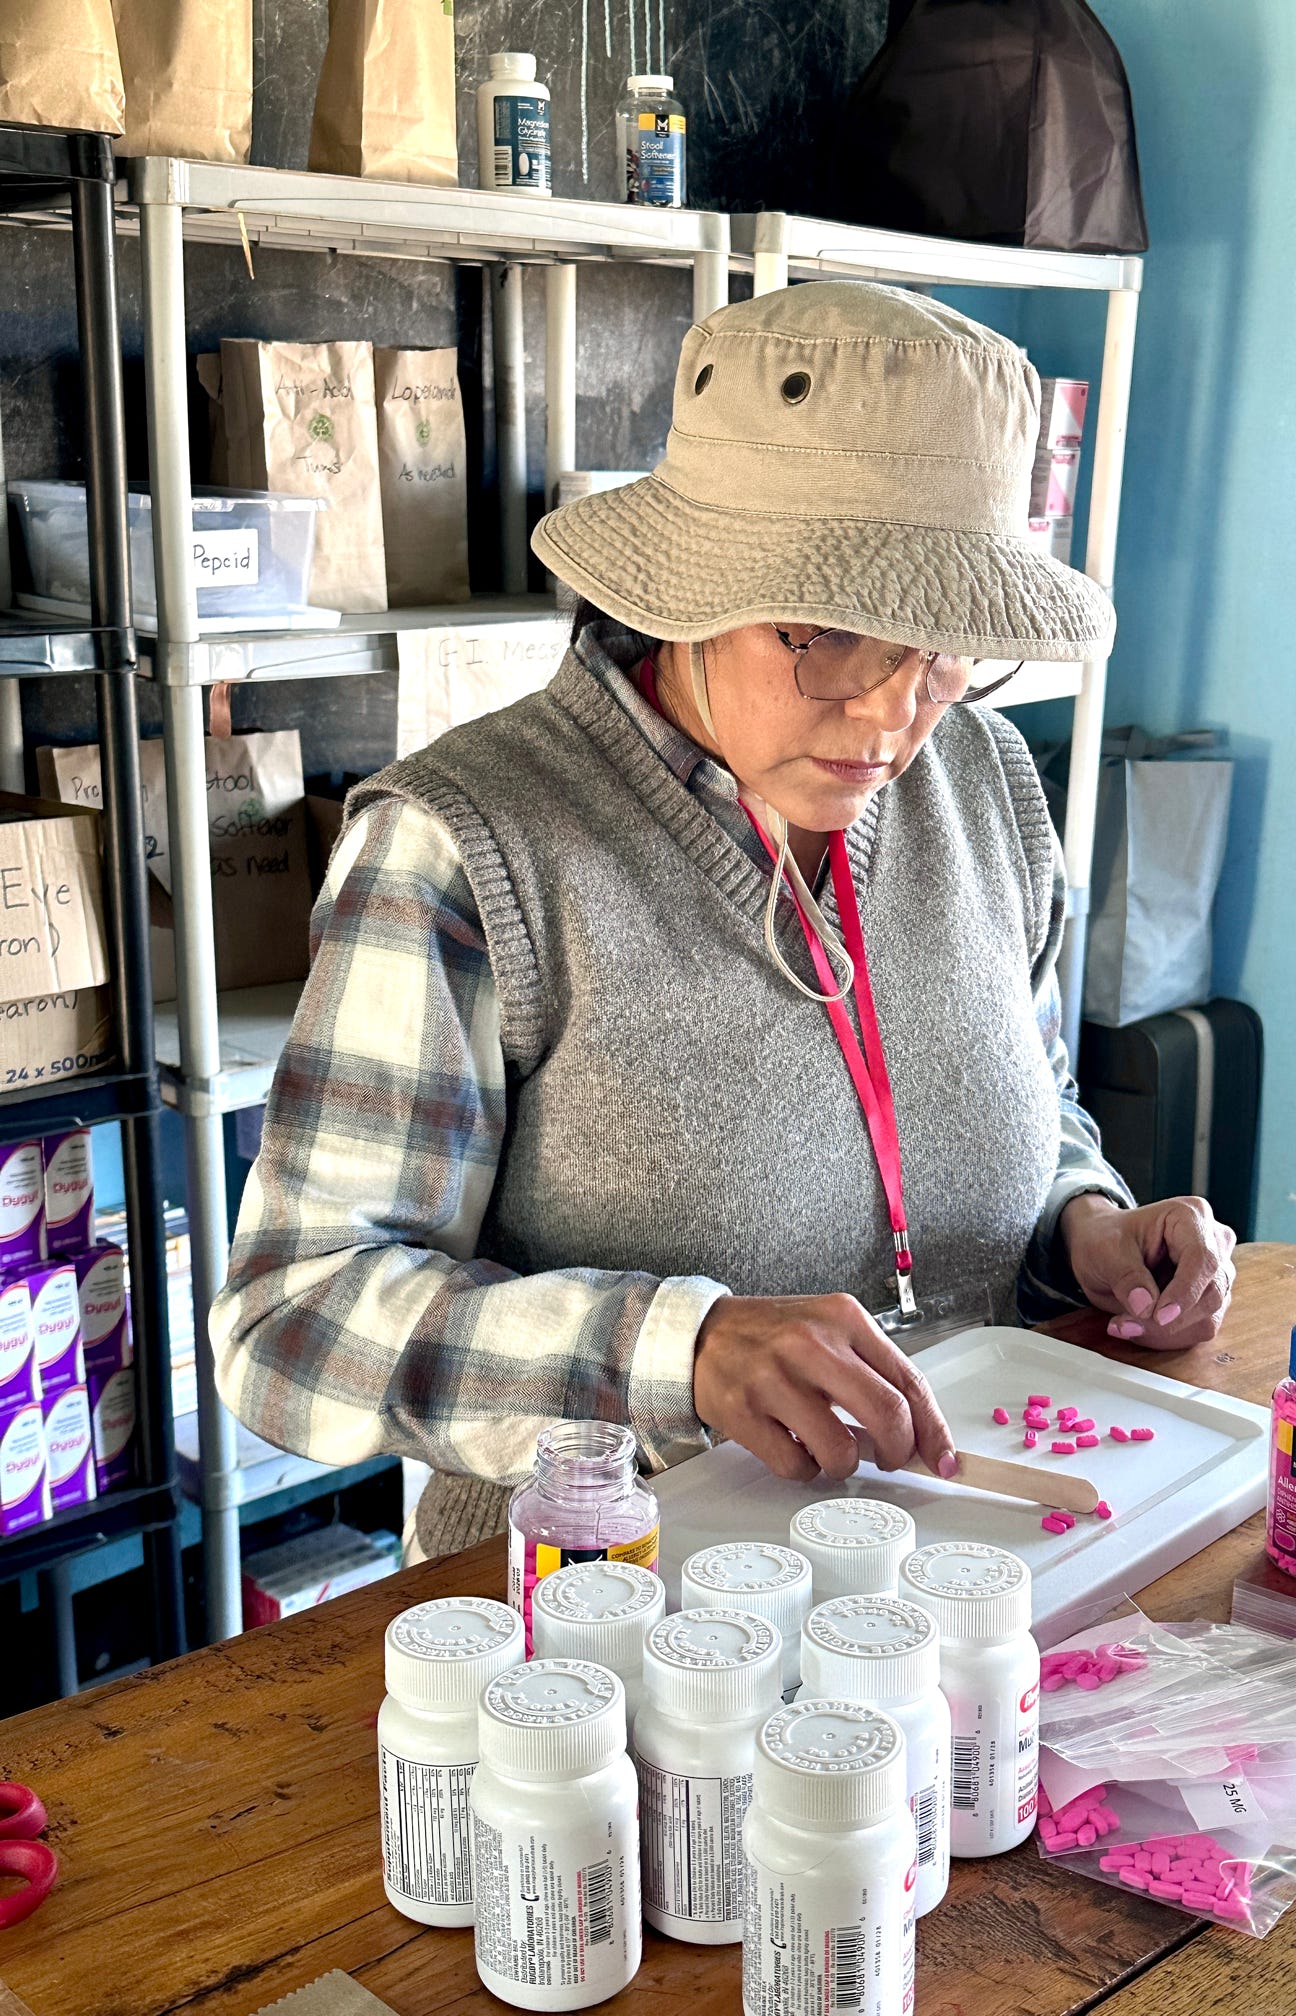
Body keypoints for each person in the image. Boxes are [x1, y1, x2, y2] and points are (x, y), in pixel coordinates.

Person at [210, 281, 1237, 1564]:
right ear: (693, 590)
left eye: (943, 652)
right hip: (608, 1620)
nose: (887, 716)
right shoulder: (468, 846)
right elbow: (292, 1325)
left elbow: (1030, 1102)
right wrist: (674, 1351)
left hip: (974, 1571)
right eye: (833, 637)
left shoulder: (983, 783)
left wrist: (1083, 1225)